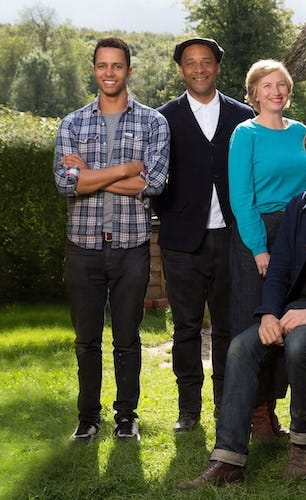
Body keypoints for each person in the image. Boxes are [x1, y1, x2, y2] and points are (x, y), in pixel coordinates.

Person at [178, 123, 306, 488]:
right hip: (296, 311)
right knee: (242, 346)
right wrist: (269, 313)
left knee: (300, 342)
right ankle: (228, 461)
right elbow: (279, 270)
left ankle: (303, 441)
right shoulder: (299, 207)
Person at [53, 37, 170, 442]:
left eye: (116, 66)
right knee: (86, 339)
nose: (109, 72)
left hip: (131, 245)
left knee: (126, 338)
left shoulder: (153, 123)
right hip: (82, 246)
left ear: (128, 71)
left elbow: (153, 183)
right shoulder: (72, 123)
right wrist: (125, 170)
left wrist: (92, 175)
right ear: (93, 70)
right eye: (102, 65)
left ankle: (126, 417)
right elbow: (66, 185)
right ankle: (88, 418)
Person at [153, 38, 255, 432]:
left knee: (229, 328)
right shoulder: (164, 118)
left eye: (206, 62)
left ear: (217, 66)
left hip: (233, 238)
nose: (199, 69)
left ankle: (226, 407)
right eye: (191, 63)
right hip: (182, 241)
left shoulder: (243, 116)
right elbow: (156, 178)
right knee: (186, 328)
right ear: (181, 69)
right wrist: (175, 217)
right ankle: (188, 409)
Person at [228, 59, 306, 440]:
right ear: (254, 93)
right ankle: (258, 415)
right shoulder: (245, 134)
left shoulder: (302, 133)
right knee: (256, 324)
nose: (276, 91)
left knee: (290, 321)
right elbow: (242, 197)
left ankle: (278, 406)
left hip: (299, 230)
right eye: (267, 85)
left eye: (282, 85)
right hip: (256, 233)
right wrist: (259, 248)